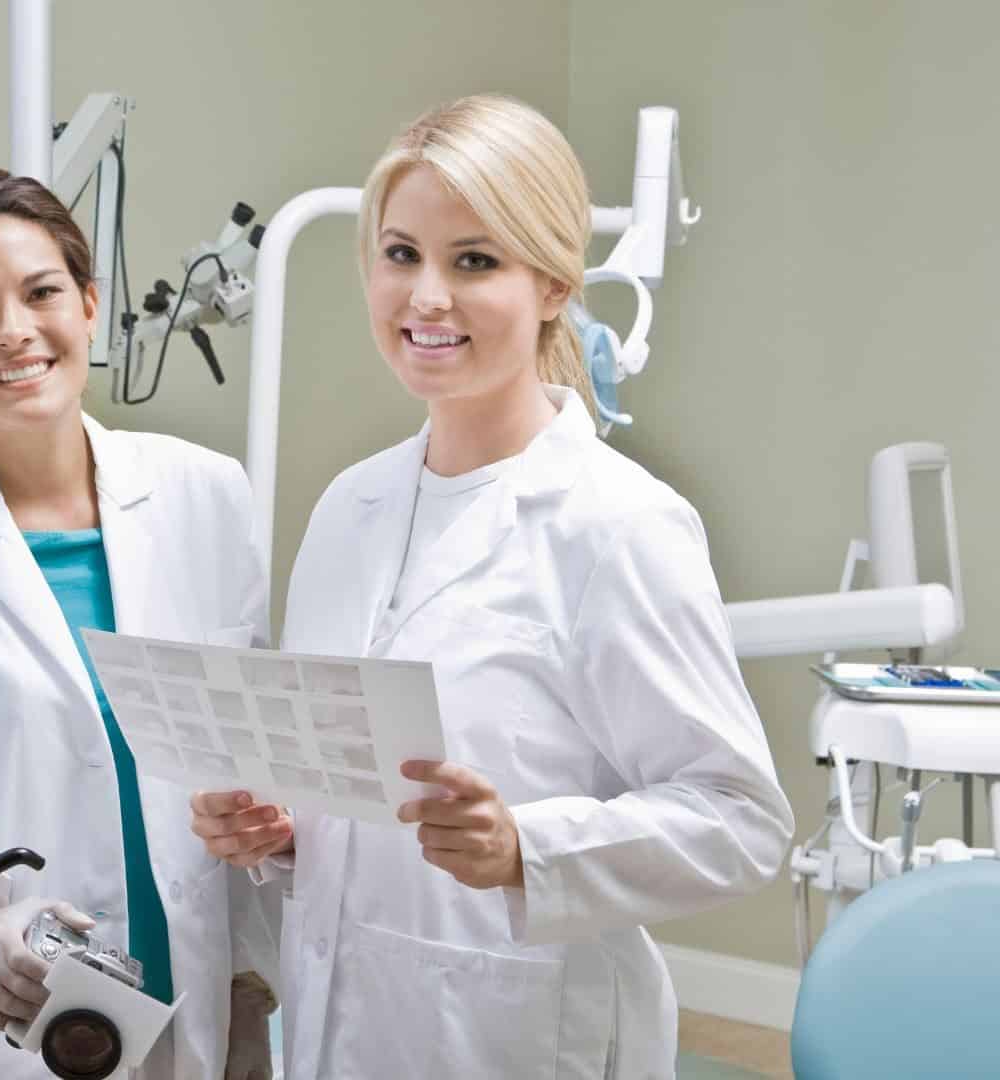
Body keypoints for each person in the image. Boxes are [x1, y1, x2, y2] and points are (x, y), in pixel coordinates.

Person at [188, 95, 793, 1079]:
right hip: (346, 1023)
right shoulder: (348, 509)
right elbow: (364, 787)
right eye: (399, 254)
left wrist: (527, 848)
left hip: (517, 1034)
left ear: (553, 283)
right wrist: (289, 831)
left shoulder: (615, 524)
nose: (427, 296)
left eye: (474, 261)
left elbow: (740, 820)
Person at [0, 167, 278, 1080]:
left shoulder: (209, 496)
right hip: (5, 1024)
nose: (14, 331)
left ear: (87, 306)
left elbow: (251, 750)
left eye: (41, 293)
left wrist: (252, 972)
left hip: (196, 1001)